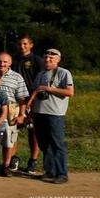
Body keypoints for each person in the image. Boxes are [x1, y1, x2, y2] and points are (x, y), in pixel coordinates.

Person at [27, 49, 73, 184]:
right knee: (44, 144)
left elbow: (70, 92)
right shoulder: (40, 74)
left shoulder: (64, 73)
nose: (47, 60)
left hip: (55, 114)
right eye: (46, 58)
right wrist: (30, 113)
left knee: (57, 144)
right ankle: (50, 172)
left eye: (51, 58)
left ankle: (62, 174)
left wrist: (49, 89)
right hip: (39, 113)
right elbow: (35, 93)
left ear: (58, 60)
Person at [0, 53, 30, 177]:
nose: (1, 64)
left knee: (8, 141)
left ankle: (6, 166)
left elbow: (22, 99)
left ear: (10, 63)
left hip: (11, 113)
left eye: (5, 62)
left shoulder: (17, 77)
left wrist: (22, 115)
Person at [13, 35, 45, 175]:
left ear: (31, 45)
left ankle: (33, 160)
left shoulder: (37, 60)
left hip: (32, 99)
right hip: (16, 100)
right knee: (13, 130)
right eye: (20, 44)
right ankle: (13, 159)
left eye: (25, 44)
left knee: (33, 131)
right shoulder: (13, 59)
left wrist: (33, 99)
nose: (22, 46)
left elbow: (42, 80)